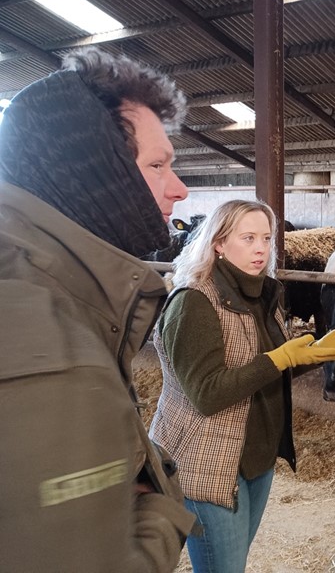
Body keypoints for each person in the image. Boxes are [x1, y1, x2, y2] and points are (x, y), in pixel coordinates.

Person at [0, 47, 196, 571]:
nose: (178, 189)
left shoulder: (53, 293)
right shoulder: (43, 341)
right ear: (91, 170)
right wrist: (161, 506)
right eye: (158, 165)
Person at [149, 199, 335, 573]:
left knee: (232, 563)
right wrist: (281, 358)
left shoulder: (264, 294)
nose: (261, 248)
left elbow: (264, 366)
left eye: (266, 238)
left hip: (256, 456)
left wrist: (307, 356)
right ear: (218, 242)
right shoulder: (195, 303)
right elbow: (208, 393)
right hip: (208, 459)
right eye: (247, 237)